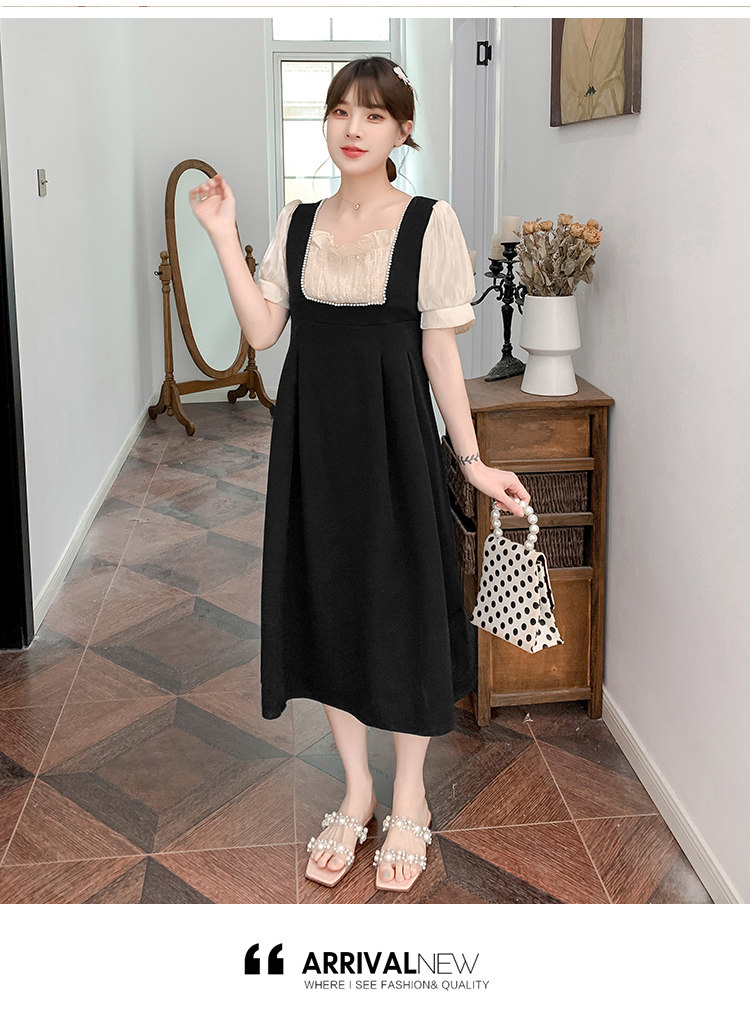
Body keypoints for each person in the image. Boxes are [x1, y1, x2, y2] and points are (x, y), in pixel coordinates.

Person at [191, 56, 530, 894]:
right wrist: (222, 234)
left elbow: (439, 355)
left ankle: (410, 794)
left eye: (374, 115)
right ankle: (357, 789)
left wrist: (472, 462)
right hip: (312, 447)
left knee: (402, 606)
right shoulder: (297, 222)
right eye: (341, 110)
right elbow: (264, 331)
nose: (353, 128)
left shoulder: (427, 223)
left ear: (402, 131)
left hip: (395, 444)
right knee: (331, 604)